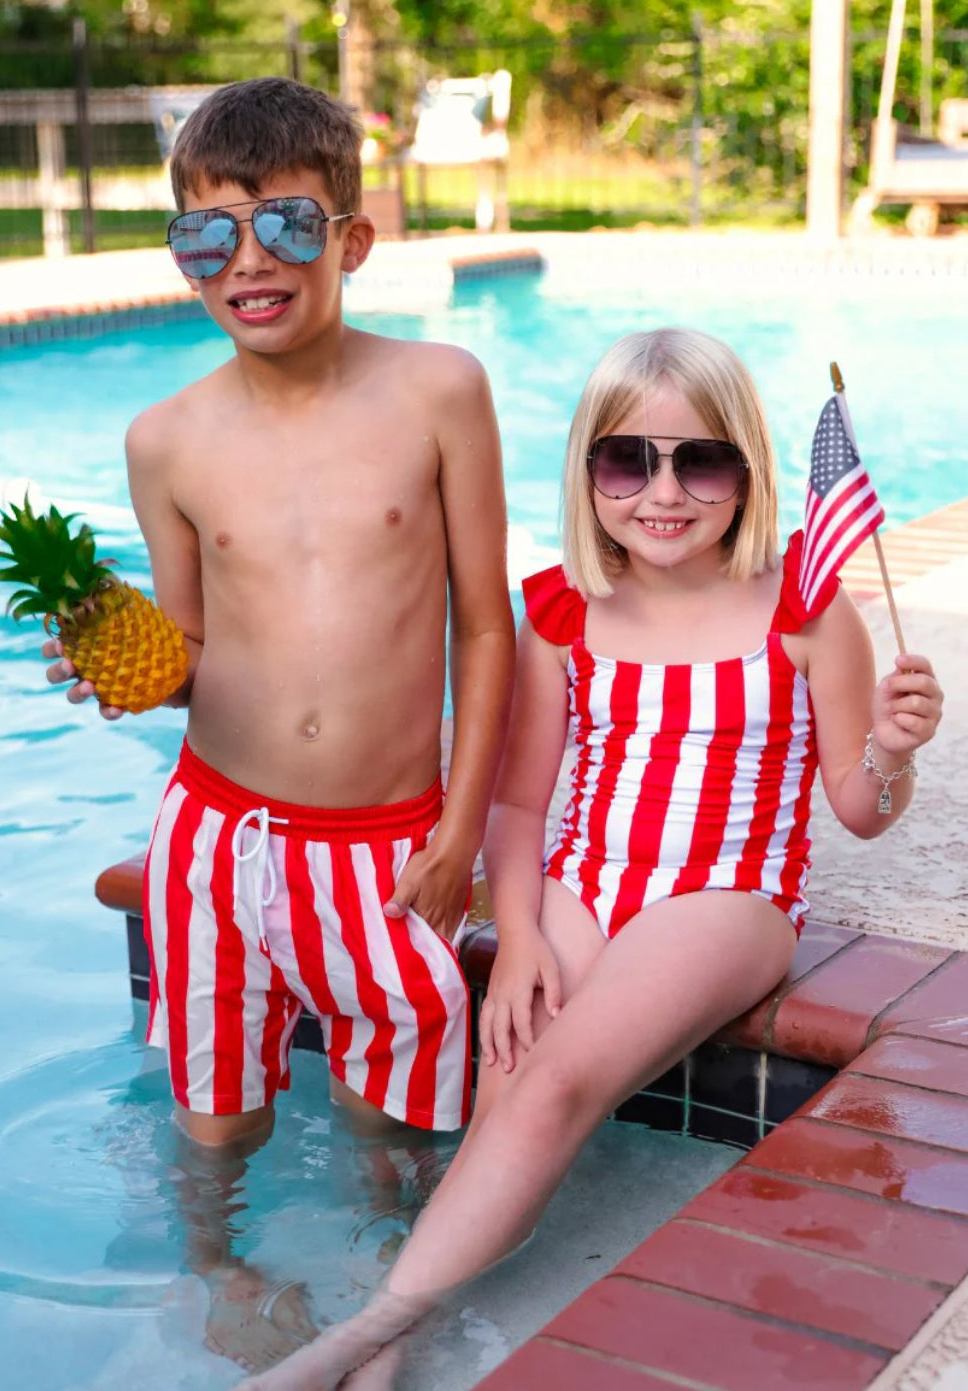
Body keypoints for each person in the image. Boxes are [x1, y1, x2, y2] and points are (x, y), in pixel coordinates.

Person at [235, 326, 944, 1391]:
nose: (663, 491)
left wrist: (890, 750)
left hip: (726, 892)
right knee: (507, 1075)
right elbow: (522, 800)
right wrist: (518, 934)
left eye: (699, 459)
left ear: (746, 471)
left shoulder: (801, 605)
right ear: (589, 472)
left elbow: (860, 807)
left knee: (560, 1076)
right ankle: (386, 1358)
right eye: (628, 459)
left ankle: (347, 1342)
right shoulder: (564, 612)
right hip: (587, 880)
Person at [42, 75, 515, 1370]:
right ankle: (217, 1268)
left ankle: (383, 1284)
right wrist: (129, 665)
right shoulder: (168, 439)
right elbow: (192, 659)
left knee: (388, 1095)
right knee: (218, 1108)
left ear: (353, 239)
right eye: (210, 237)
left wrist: (464, 822)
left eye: (288, 227)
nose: (248, 262)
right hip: (218, 840)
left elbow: (486, 625)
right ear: (183, 258)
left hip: (390, 840)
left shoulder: (438, 391)